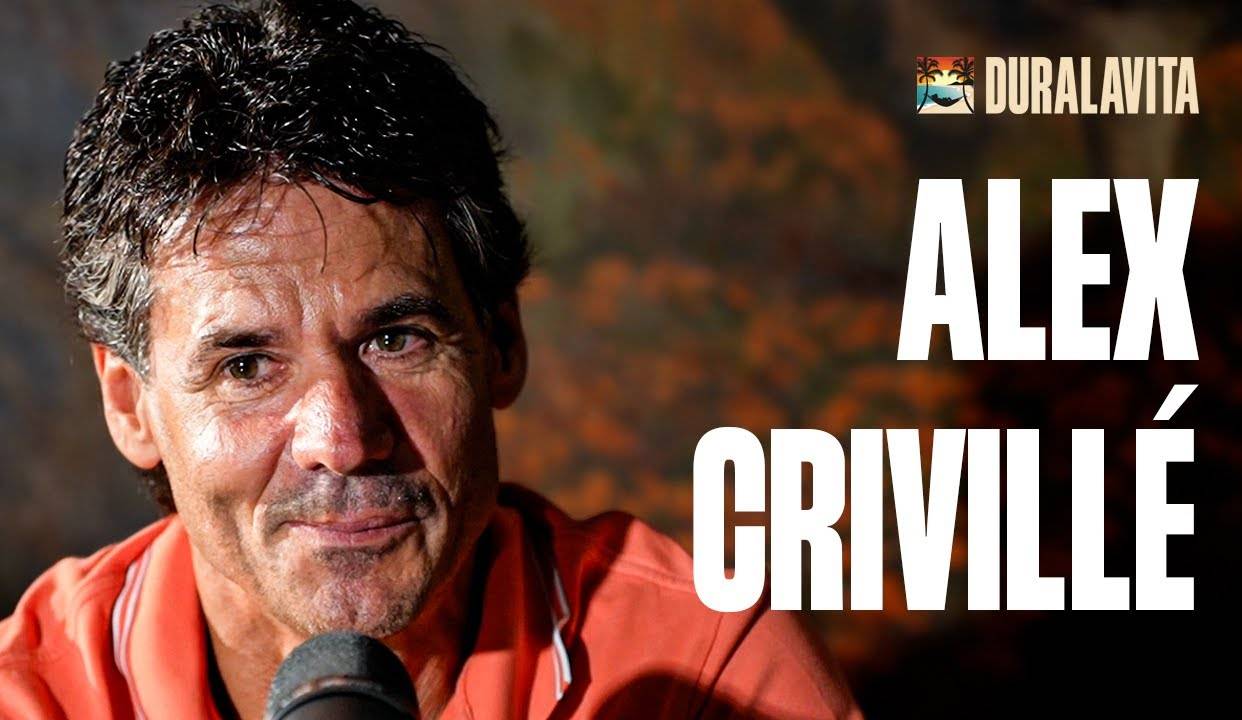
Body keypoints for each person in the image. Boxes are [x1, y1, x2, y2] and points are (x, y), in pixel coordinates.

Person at [0, 1, 860, 717]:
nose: (343, 440)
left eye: (396, 340)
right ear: (131, 405)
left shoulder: (707, 671)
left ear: (501, 345)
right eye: (247, 367)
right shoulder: (31, 696)